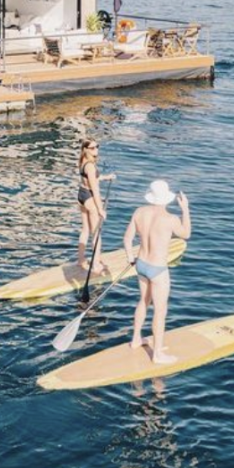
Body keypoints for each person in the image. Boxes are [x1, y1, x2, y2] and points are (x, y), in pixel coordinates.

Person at [123, 180, 191, 364]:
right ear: (166, 198)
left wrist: (130, 257)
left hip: (141, 265)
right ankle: (157, 355)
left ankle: (136, 339)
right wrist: (185, 209)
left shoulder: (139, 212)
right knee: (160, 311)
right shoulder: (171, 219)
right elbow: (186, 234)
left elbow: (127, 239)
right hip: (158, 269)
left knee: (143, 302)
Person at [76, 138, 115, 272]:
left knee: (85, 230)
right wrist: (100, 209)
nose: (96, 150)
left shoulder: (83, 162)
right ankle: (96, 264)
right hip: (90, 197)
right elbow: (95, 189)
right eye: (92, 148)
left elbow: (89, 179)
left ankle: (80, 260)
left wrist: (106, 177)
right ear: (85, 149)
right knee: (96, 233)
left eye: (97, 147)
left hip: (81, 195)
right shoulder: (91, 166)